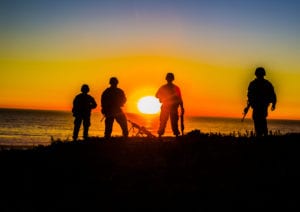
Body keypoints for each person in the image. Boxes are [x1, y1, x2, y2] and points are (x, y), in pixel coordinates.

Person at [246, 67, 277, 137]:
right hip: (259, 106)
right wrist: (247, 106)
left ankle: (262, 136)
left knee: (260, 120)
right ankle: (262, 136)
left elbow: (273, 94)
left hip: (261, 106)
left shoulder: (255, 84)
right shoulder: (263, 84)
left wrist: (273, 104)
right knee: (260, 120)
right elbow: (249, 96)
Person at [156, 72, 184, 137]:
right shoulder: (164, 87)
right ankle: (160, 135)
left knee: (173, 122)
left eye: (170, 78)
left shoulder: (176, 88)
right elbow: (157, 95)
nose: (169, 79)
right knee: (163, 121)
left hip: (173, 107)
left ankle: (176, 135)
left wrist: (182, 107)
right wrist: (162, 98)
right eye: (169, 77)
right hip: (166, 107)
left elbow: (180, 99)